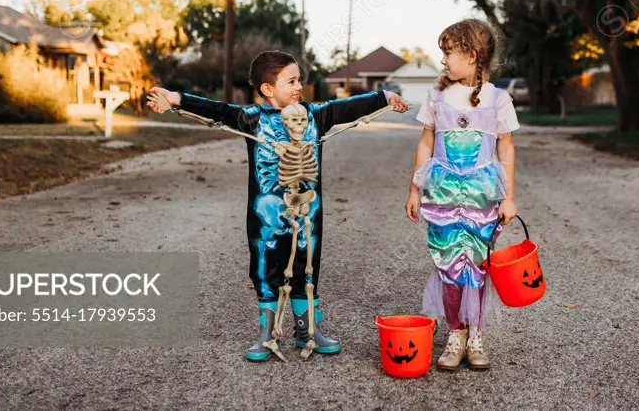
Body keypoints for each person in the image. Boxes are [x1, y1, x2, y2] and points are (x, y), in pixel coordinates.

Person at [148, 50, 409, 362]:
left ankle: (307, 332)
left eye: (299, 79)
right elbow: (217, 109)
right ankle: (267, 334)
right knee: (265, 269)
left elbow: (347, 107)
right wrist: (177, 98)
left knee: (306, 269)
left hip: (308, 216)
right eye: (291, 81)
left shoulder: (315, 115)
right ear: (267, 89)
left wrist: (384, 96)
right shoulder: (251, 119)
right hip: (266, 217)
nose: (299, 86)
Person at [404, 19, 519, 372]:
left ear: (471, 55)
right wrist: (414, 189)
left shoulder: (498, 99)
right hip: (443, 195)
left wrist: (508, 197)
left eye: (448, 53)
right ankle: (455, 332)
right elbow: (426, 143)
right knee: (449, 265)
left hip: (483, 197)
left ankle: (476, 334)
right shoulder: (436, 97)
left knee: (478, 267)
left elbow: (507, 149)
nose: (443, 60)